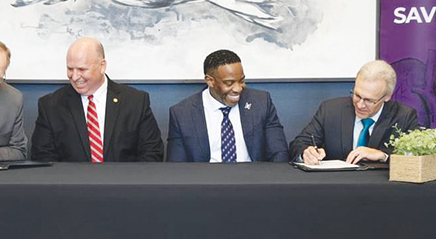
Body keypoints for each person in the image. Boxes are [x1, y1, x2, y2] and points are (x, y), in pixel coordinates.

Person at [31, 37, 164, 162]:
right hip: (70, 179)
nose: (75, 76)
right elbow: (43, 158)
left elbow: (152, 153)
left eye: (82, 69)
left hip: (125, 179)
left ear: (102, 66)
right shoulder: (51, 106)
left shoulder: (135, 102)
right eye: (70, 69)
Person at [288, 59, 418, 165]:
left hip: (382, 187)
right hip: (336, 185)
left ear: (387, 97)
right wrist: (306, 153)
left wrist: (383, 155)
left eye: (369, 100)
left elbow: (418, 155)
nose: (360, 105)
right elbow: (298, 144)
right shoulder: (330, 110)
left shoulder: (404, 116)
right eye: (357, 95)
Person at [167, 49, 288, 162]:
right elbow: (177, 167)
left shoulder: (261, 102)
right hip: (205, 177)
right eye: (229, 83)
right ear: (210, 81)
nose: (238, 89)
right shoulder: (182, 113)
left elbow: (278, 154)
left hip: (253, 175)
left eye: (241, 81)